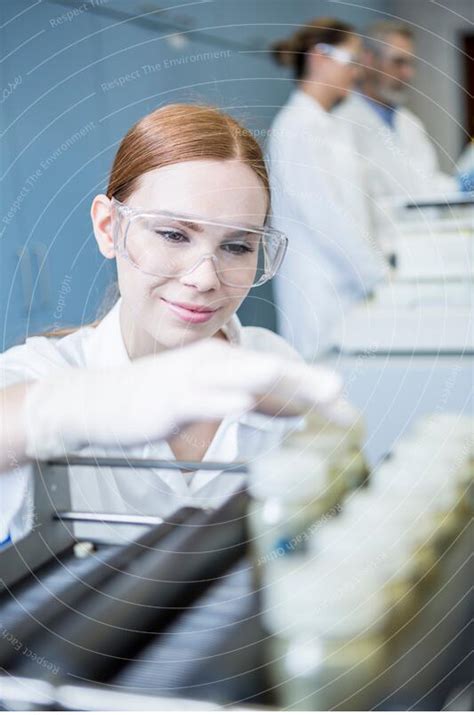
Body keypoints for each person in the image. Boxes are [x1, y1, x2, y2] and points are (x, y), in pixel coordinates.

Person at [0, 103, 347, 544]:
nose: (204, 278)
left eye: (238, 246)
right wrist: (87, 405)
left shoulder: (271, 362)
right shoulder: (45, 372)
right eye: (173, 235)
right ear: (109, 228)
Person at [267, 17, 387, 359]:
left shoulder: (327, 126)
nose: (357, 73)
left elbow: (355, 206)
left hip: (347, 287)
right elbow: (327, 217)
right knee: (326, 397)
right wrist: (377, 275)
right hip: (321, 294)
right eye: (352, 61)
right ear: (320, 57)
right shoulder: (296, 128)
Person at [335, 20, 457, 205]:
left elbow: (427, 184)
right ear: (368, 60)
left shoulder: (410, 123)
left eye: (410, 63)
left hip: (419, 231)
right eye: (398, 62)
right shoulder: (341, 122)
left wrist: (461, 186)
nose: (408, 73)